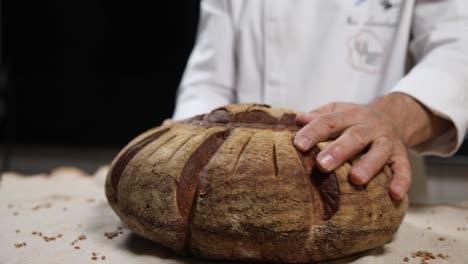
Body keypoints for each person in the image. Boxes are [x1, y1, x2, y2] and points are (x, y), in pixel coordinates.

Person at [171, 1, 468, 201]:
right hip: (235, 184)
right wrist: (189, 147)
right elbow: (210, 76)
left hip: (372, 176)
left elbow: (459, 48)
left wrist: (392, 117)